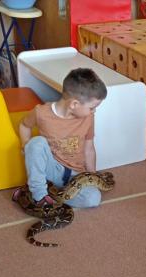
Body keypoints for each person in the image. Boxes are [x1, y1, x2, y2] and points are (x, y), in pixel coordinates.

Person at [13, 68, 107, 208]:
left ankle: (43, 193)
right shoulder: (41, 113)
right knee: (35, 143)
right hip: (51, 169)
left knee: (93, 199)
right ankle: (39, 195)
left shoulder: (89, 118)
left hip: (75, 174)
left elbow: (89, 149)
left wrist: (92, 177)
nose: (94, 111)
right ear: (74, 104)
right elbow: (24, 126)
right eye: (92, 107)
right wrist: (26, 145)